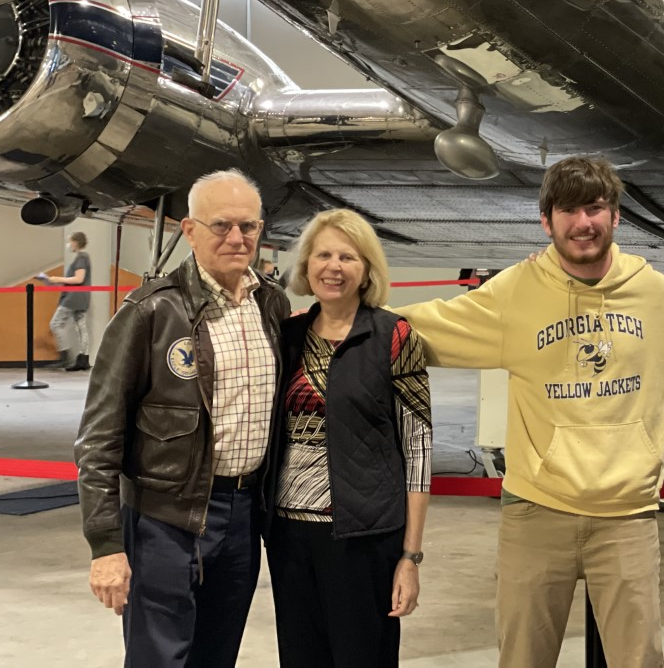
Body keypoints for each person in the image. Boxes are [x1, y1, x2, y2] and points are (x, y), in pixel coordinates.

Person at [394, 155, 664, 668]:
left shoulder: (651, 292)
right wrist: (328, 321)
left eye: (595, 208)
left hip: (626, 518)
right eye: (568, 210)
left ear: (616, 216)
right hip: (537, 512)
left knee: (639, 660)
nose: (583, 223)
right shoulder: (515, 292)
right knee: (523, 659)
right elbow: (421, 327)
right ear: (547, 220)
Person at [74, 169, 290, 668]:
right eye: (221, 226)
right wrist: (105, 544)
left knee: (218, 653)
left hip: (244, 514)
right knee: (160, 657)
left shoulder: (272, 305)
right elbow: (99, 436)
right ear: (190, 231)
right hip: (165, 517)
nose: (237, 238)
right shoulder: (150, 312)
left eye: (249, 226)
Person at [267, 209, 431, 667]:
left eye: (347, 256)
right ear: (305, 265)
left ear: (367, 270)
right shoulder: (288, 335)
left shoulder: (394, 337)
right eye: (322, 255)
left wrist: (410, 557)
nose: (332, 267)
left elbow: (418, 450)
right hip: (289, 536)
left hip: (364, 539)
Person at [42, 231, 92, 371]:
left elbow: (78, 279)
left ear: (76, 242)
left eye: (71, 241)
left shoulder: (81, 258)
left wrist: (58, 279)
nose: (69, 244)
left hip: (73, 298)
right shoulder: (83, 257)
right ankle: (83, 358)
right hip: (81, 297)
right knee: (81, 327)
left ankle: (65, 356)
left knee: (56, 323)